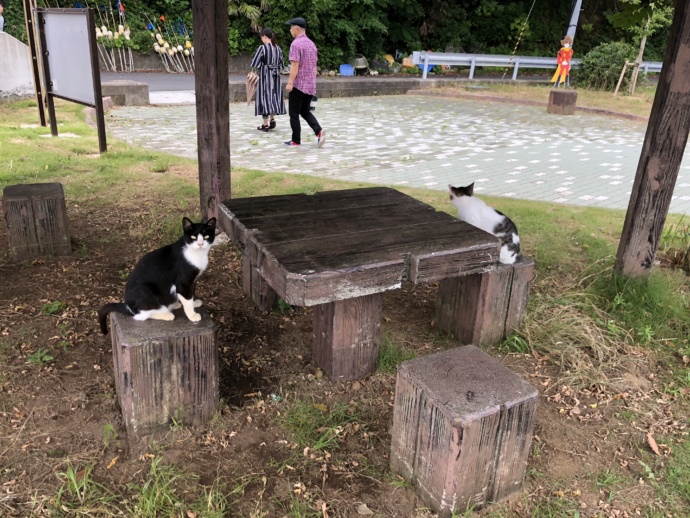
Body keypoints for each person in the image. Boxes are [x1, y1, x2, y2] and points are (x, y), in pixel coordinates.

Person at [284, 17, 325, 147]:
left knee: (294, 113)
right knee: (305, 111)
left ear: (296, 29)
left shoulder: (296, 44)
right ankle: (319, 131)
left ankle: (296, 140)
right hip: (310, 84)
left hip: (299, 85)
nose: (290, 30)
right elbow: (314, 66)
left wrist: (290, 83)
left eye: (291, 28)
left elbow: (295, 65)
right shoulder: (311, 44)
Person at [250, 27, 286, 132]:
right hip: (276, 76)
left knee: (264, 97)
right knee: (273, 96)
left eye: (262, 37)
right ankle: (272, 119)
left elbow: (255, 63)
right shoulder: (278, 48)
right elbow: (282, 64)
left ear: (265, 37)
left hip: (266, 75)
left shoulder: (263, 48)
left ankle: (265, 124)